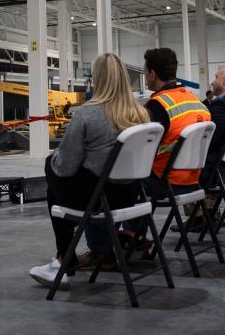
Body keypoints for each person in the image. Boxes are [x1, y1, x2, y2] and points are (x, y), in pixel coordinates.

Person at [28, 52, 149, 288]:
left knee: (52, 173)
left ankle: (64, 260)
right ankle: (64, 259)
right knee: (60, 182)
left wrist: (52, 162)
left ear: (97, 79)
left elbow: (65, 166)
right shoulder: (141, 114)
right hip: (129, 196)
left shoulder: (86, 114)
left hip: (98, 199)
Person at [143, 48, 211, 189]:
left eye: (145, 73)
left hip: (164, 179)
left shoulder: (158, 105)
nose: (145, 77)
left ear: (152, 74)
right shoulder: (195, 100)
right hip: (193, 178)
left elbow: (143, 148)